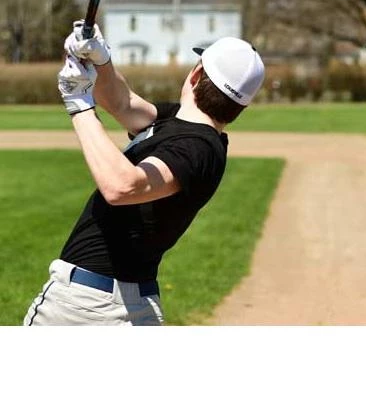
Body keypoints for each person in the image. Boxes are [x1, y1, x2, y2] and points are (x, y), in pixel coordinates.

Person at [23, 20, 265, 326]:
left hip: (86, 307)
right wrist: (101, 59)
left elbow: (123, 186)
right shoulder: (178, 123)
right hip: (123, 303)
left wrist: (79, 106)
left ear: (196, 75)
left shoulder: (198, 148)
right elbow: (122, 103)